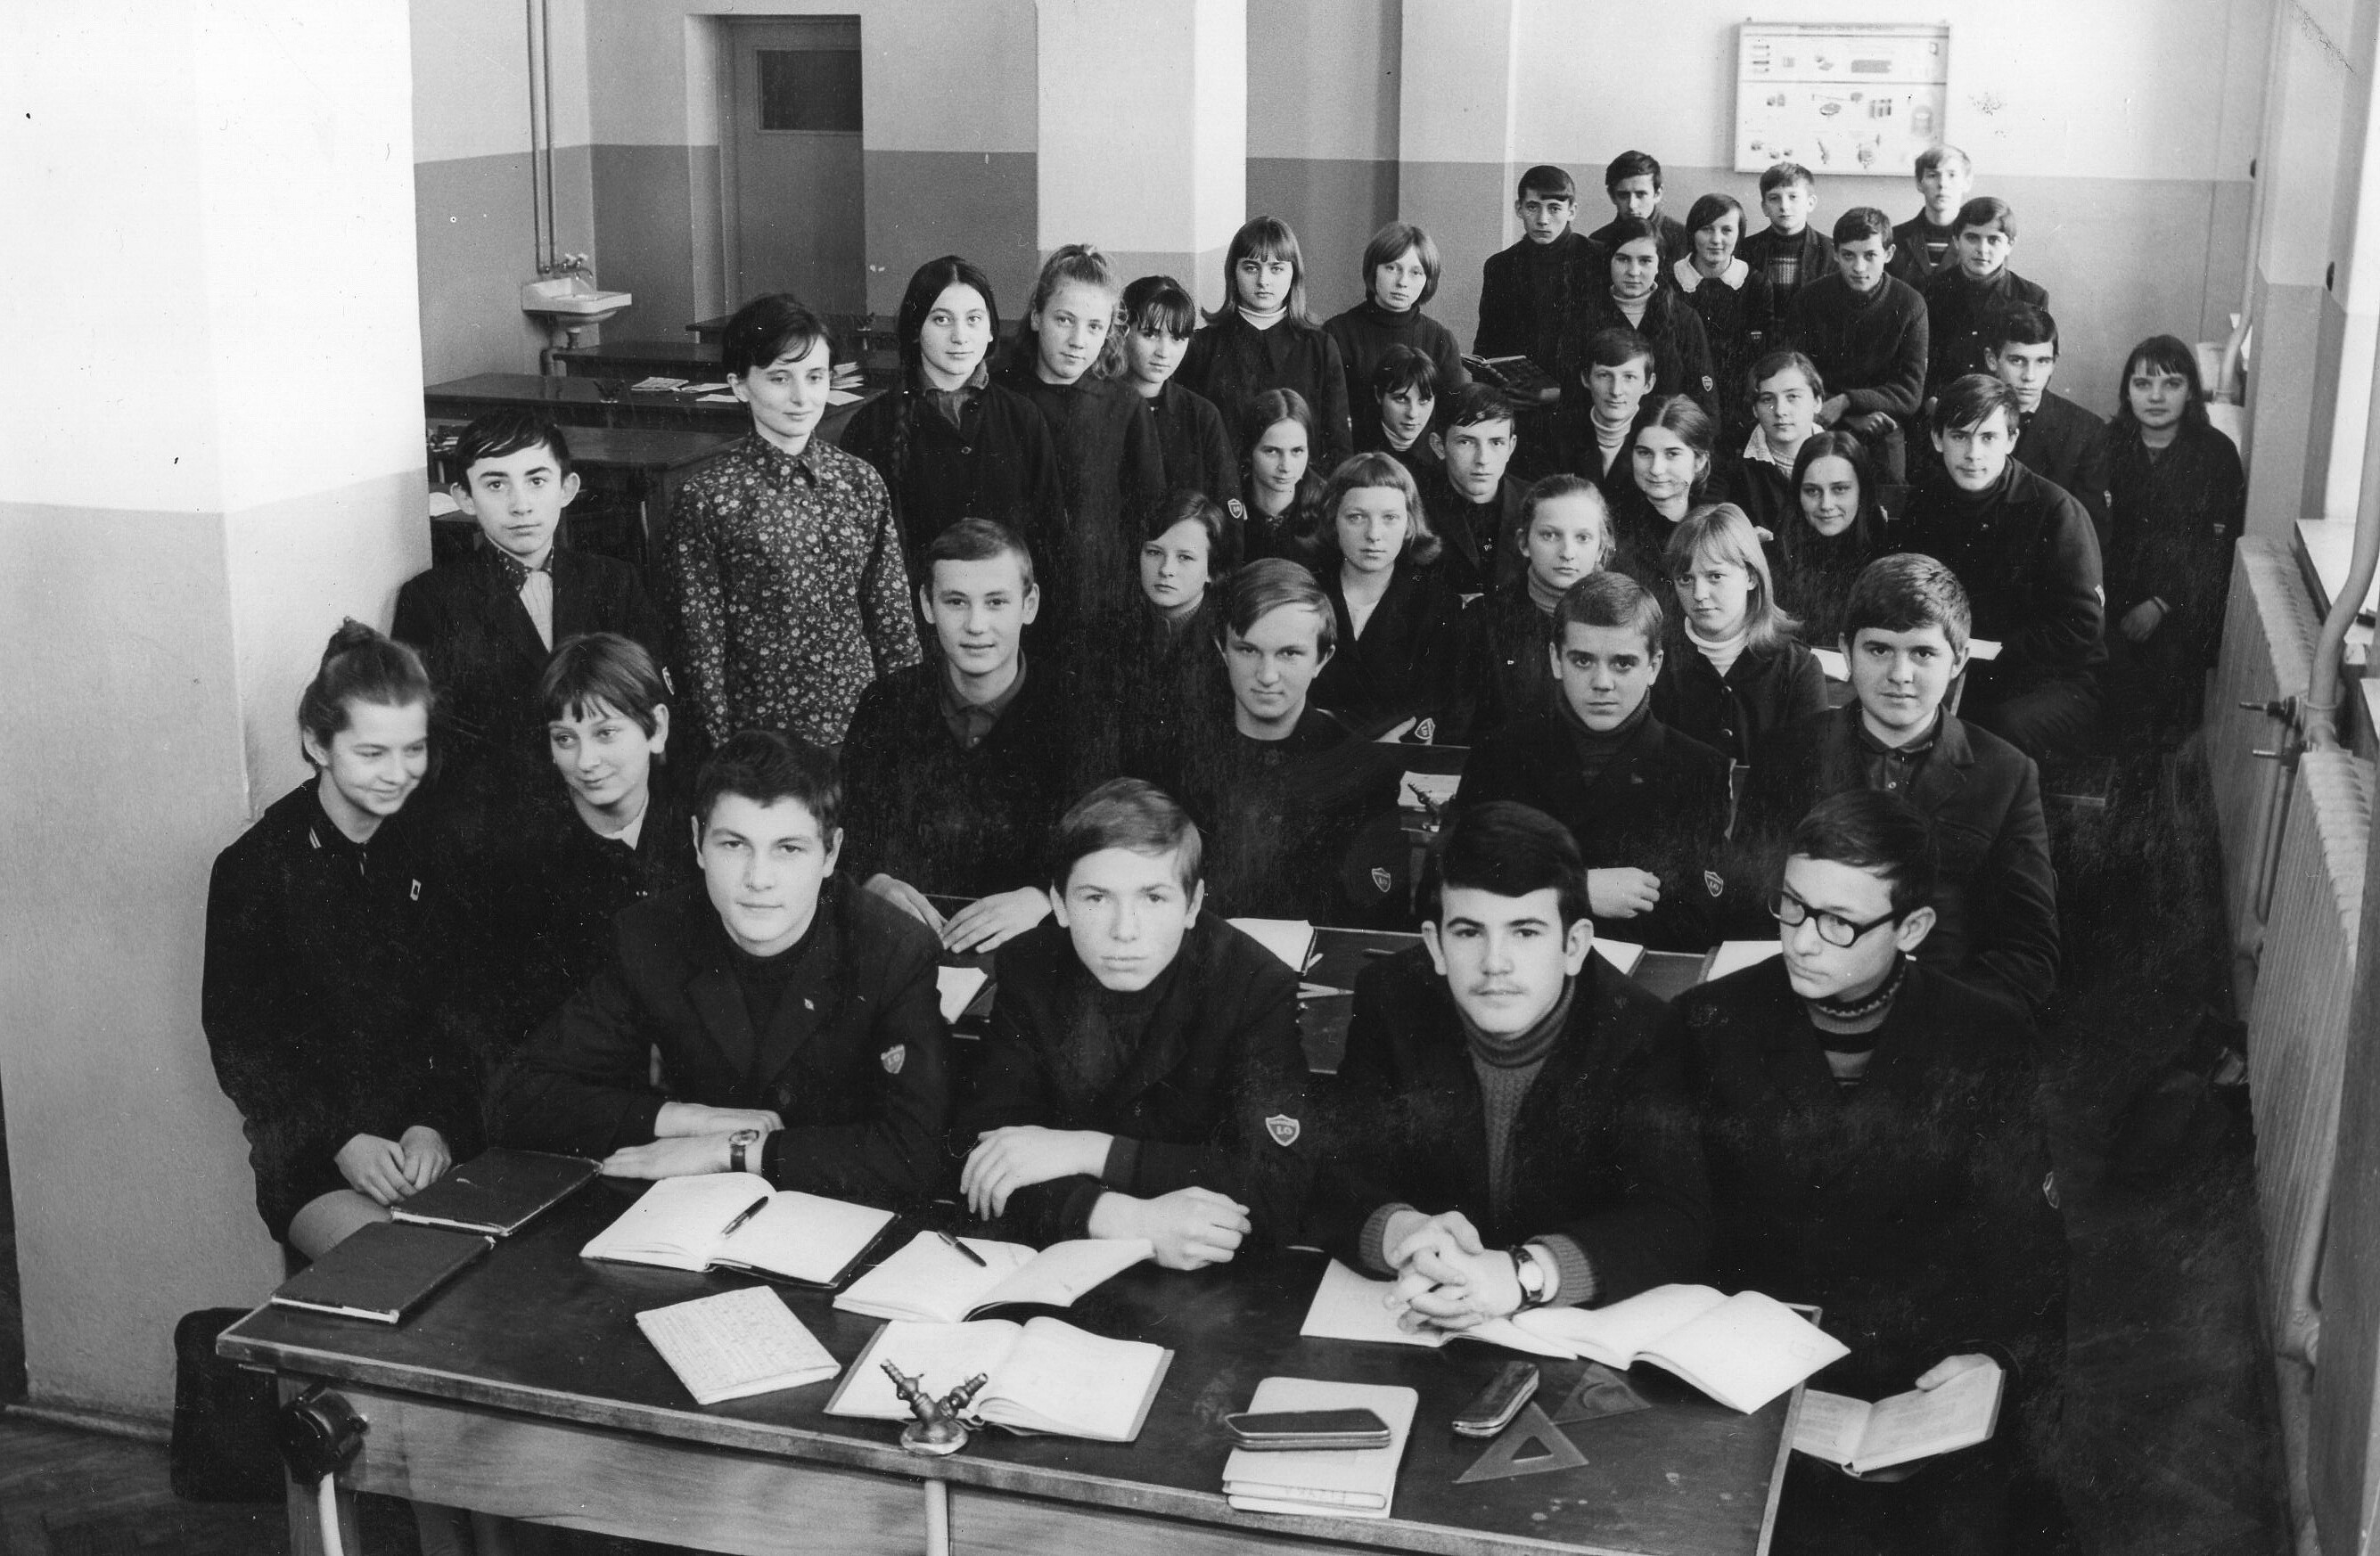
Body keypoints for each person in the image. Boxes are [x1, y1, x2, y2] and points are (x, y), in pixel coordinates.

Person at [1667, 789, 2069, 1555]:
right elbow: (1673, 1224)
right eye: (1792, 906)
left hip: (1919, 1379)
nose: (1802, 942)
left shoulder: (1987, 1037)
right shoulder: (1707, 1023)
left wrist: (1999, 1360)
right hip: (1746, 1374)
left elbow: (2027, 1247)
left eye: (1839, 922)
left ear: (1912, 929)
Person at [489, 731, 949, 1205]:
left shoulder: (892, 950)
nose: (758, 878)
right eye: (733, 844)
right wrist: (691, 1121)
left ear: (830, 854)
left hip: (838, 1218)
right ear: (697, 843)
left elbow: (917, 1152)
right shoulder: (653, 936)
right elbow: (517, 1097)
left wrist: (731, 1151)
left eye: (788, 849)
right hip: (692, 1219)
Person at [1305, 800, 1707, 1326]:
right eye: (1469, 932)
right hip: (1416, 1311)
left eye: (1526, 932)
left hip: (1564, 1332)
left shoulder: (1642, 1030)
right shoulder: (1391, 996)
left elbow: (1673, 1220)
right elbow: (1333, 1171)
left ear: (1574, 945)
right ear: (1436, 945)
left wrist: (1524, 1275)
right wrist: (1402, 1235)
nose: (1495, 963)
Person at [205, 620, 484, 1257]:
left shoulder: (437, 847)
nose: (397, 774)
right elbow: (244, 1047)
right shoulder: (255, 869)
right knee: (405, 1268)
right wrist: (342, 1141)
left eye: (413, 750)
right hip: (315, 1155)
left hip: (429, 1144)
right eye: (372, 753)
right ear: (318, 743)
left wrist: (434, 1126)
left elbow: (464, 1014)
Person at [954, 779, 1309, 1265]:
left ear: (1193, 905)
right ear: (1059, 904)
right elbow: (981, 1155)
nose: (1124, 930)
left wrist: (1089, 1151)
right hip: (1064, 1253)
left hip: (1203, 1269)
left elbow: (1279, 1185)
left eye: (1154, 898)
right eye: (1096, 898)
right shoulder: (1030, 967)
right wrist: (1114, 1217)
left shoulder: (1254, 986)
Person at [1736, 555, 2059, 1015]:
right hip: (1805, 1008)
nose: (1899, 674)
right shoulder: (1786, 756)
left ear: (1958, 661)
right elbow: (1747, 909)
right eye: (1879, 650)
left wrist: (1930, 1018)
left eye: (1923, 653)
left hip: (1943, 1017)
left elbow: (2030, 952)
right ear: (1846, 652)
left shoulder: (2006, 775)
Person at [396, 411, 665, 846]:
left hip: (607, 806)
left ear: (567, 489)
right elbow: (427, 735)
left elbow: (651, 704)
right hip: (497, 824)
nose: (520, 505)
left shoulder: (615, 582)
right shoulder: (431, 599)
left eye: (537, 481)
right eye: (495, 485)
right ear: (464, 497)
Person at [663, 295, 921, 750]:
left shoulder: (860, 481)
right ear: (739, 385)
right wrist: (725, 752)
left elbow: (892, 620)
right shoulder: (709, 497)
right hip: (763, 741)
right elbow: (701, 647)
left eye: (815, 377)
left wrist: (905, 726)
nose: (802, 397)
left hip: (860, 727)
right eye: (780, 378)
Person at [841, 520, 1088, 958]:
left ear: (1029, 605)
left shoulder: (1082, 711)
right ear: (927, 605)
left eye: (996, 602)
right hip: (902, 948)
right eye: (956, 602)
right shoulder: (885, 705)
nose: (976, 625)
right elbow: (845, 831)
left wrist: (1044, 898)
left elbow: (1107, 844)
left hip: (1037, 947)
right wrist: (872, 882)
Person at [1462, 573, 1734, 951]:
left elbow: (1696, 924)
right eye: (1583, 660)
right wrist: (1574, 889)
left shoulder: (1697, 770)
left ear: (1653, 667)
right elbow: (1448, 885)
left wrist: (1531, 887)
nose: (1602, 682)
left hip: (1635, 978)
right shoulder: (1500, 755)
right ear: (1556, 660)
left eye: (1623, 663)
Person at [1148, 559, 1399, 923]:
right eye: (1248, 650)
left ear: (1321, 659)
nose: (1267, 675)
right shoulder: (1171, 760)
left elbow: (1371, 924)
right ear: (1223, 650)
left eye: (1289, 653)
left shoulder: (1365, 773)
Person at [497, 632, 698, 1052]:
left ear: (657, 728)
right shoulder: (526, 856)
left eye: (605, 733)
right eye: (565, 738)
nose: (585, 762)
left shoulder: (697, 825)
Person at [1899, 374, 2105, 765]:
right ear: (1938, 439)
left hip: (2053, 683)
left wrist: (1993, 651)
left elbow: (2081, 629)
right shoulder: (1925, 502)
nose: (1973, 453)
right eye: (1960, 436)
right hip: (1957, 673)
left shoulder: (2057, 511)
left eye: (1989, 437)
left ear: (2011, 440)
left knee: (1988, 733)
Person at [840, 256, 1067, 586]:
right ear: (915, 329)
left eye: (974, 319)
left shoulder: (1024, 417)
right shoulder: (871, 426)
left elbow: (1051, 538)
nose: (960, 336)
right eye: (942, 319)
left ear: (991, 331)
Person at [998, 243, 1168, 641]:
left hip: (1097, 606)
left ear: (1109, 331)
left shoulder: (1125, 406)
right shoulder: (1001, 396)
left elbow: (1148, 513)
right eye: (1064, 320)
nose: (1078, 340)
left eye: (1094, 326)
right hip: (1011, 601)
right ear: (1037, 316)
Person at [2104, 334, 2247, 741]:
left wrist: (2160, 604)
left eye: (2171, 384)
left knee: (2162, 699)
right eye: (2142, 383)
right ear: (2127, 391)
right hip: (2113, 601)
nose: (2155, 397)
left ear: (2191, 392)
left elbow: (2216, 551)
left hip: (2183, 607)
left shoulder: (2216, 454)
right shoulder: (2105, 445)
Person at [1301, 451, 1470, 742]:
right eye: (1356, 517)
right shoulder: (1303, 594)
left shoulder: (1438, 605)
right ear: (1333, 520)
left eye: (1390, 518)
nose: (1374, 534)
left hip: (1403, 758)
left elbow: (1438, 710)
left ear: (1410, 524)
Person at [1652, 504, 1826, 766]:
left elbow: (1811, 774)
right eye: (1685, 579)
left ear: (1751, 577)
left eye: (1715, 576)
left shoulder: (1798, 669)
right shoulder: (1657, 661)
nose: (1699, 594)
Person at [1182, 216, 1354, 467]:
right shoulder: (1202, 346)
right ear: (1233, 272)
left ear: (1294, 274)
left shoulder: (1320, 347)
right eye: (1251, 268)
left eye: (1276, 268)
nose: (1263, 281)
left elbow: (1339, 446)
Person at [1784, 207, 1930, 483]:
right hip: (1821, 419)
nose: (1859, 267)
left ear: (1889, 253)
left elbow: (1910, 393)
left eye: (1870, 255)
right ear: (1835, 253)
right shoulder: (1809, 300)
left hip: (1882, 425)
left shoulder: (1910, 304)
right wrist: (1847, 416)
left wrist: (1848, 401)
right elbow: (1796, 377)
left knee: (1888, 494)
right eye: (1848, 255)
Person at [1466, 474, 1610, 737]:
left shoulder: (1628, 618)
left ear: (1600, 549)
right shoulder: (1484, 619)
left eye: (1583, 538)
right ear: (1524, 543)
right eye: (1550, 535)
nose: (1567, 553)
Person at [1120, 489, 1240, 772]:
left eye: (1185, 557)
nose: (1166, 569)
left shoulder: (1230, 640)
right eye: (1154, 552)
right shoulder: (1108, 632)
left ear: (1212, 570)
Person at [1325, 219, 1469, 452]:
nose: (1402, 282)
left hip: (1424, 464)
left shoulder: (1440, 340)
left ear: (1428, 279)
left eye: (1416, 272)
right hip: (1356, 459)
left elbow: (1451, 419)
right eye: (1392, 268)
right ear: (1374, 269)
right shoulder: (1337, 333)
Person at [1560, 217, 1719, 422]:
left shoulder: (1684, 319)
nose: (1633, 272)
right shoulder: (1583, 319)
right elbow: (1571, 403)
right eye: (1623, 259)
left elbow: (1705, 405)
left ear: (1659, 264)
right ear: (1609, 261)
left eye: (1645, 261)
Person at [1992, 304, 2112, 545]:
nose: (2029, 376)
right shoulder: (1961, 416)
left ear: (2054, 363)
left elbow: (2089, 533)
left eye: (2042, 361)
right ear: (1992, 360)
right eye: (2017, 360)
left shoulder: (2085, 431)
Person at [1119, 273, 1239, 510]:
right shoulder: (1099, 406)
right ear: (1123, 331)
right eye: (1150, 334)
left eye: (1177, 338)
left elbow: (1226, 509)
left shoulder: (1202, 416)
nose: (1164, 352)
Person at [1474, 163, 1605, 381]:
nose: (1543, 220)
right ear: (1519, 208)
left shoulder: (1599, 259)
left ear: (1572, 211)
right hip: (1516, 390)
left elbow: (1610, 343)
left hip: (1582, 390)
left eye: (1554, 208)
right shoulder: (1500, 266)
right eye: (1533, 207)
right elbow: (1487, 343)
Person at [1672, 192, 1777, 447]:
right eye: (1707, 229)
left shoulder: (1755, 284)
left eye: (1727, 230)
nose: (1716, 240)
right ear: (1692, 233)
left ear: (1739, 235)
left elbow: (1760, 355)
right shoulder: (1670, 280)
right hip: (1683, 404)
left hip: (1739, 408)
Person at [1772, 429, 1892, 647]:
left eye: (1840, 489)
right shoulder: (1776, 557)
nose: (1826, 504)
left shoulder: (1888, 558)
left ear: (1862, 491)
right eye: (1812, 491)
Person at [1923, 198, 2048, 401]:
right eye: (1972, 238)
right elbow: (1920, 364)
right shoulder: (1930, 291)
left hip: (2005, 406)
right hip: (1942, 404)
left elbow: (2036, 368)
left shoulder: (2031, 297)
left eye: (1993, 240)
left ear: (2010, 245)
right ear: (1956, 241)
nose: (1982, 249)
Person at [1417, 382, 1528, 595]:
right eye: (1466, 442)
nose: (1482, 459)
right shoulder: (1417, 505)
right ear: (1439, 446)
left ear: (1511, 447)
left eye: (1496, 442)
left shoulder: (1536, 504)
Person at [1606, 394, 1719, 593]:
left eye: (1672, 454)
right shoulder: (1613, 528)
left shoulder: (1717, 526)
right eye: (1644, 453)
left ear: (1700, 460)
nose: (1656, 469)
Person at [1720, 349, 1826, 536]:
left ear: (1817, 402)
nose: (1780, 411)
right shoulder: (1730, 462)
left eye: (1793, 396)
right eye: (1767, 399)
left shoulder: (1845, 456)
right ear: (1755, 409)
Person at [1564, 326, 1659, 504]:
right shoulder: (1559, 436)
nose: (1616, 391)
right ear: (1586, 379)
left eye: (1629, 377)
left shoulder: (1662, 438)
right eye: (1604, 375)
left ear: (1648, 384)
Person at [1236, 388, 1325, 562]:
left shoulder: (1328, 508)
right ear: (1249, 450)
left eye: (1297, 451)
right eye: (1271, 451)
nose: (1286, 467)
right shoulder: (1229, 506)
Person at [1738, 162, 1832, 318]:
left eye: (1793, 197)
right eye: (1774, 198)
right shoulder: (1745, 250)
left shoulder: (1831, 251)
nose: (1784, 206)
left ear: (1810, 203)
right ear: (1764, 207)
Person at [1587, 150, 1690, 273]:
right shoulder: (1598, 240)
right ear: (1612, 196)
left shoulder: (1683, 238)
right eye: (1623, 195)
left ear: (1657, 194)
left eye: (1641, 194)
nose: (1632, 205)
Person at [1889, 143, 1974, 289]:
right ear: (1919, 183)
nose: (1942, 184)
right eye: (1933, 175)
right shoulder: (1895, 238)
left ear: (1967, 182)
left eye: (1952, 175)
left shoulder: (1981, 241)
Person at [1361, 345, 1443, 475]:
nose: (1412, 414)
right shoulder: (1356, 449)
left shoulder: (1443, 457)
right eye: (1401, 399)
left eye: (1424, 400)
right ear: (1378, 395)